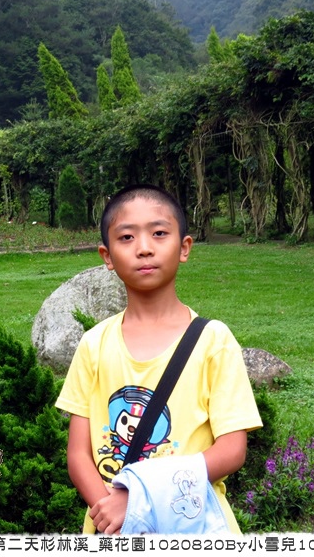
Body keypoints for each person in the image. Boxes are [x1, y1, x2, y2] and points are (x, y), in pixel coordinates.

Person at [55, 184, 262, 534]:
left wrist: (136, 496)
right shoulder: (94, 344)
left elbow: (231, 449)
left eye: (159, 233)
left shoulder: (213, 341)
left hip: (192, 528)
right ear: (106, 256)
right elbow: (78, 454)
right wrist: (109, 514)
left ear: (184, 248)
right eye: (126, 238)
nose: (145, 248)